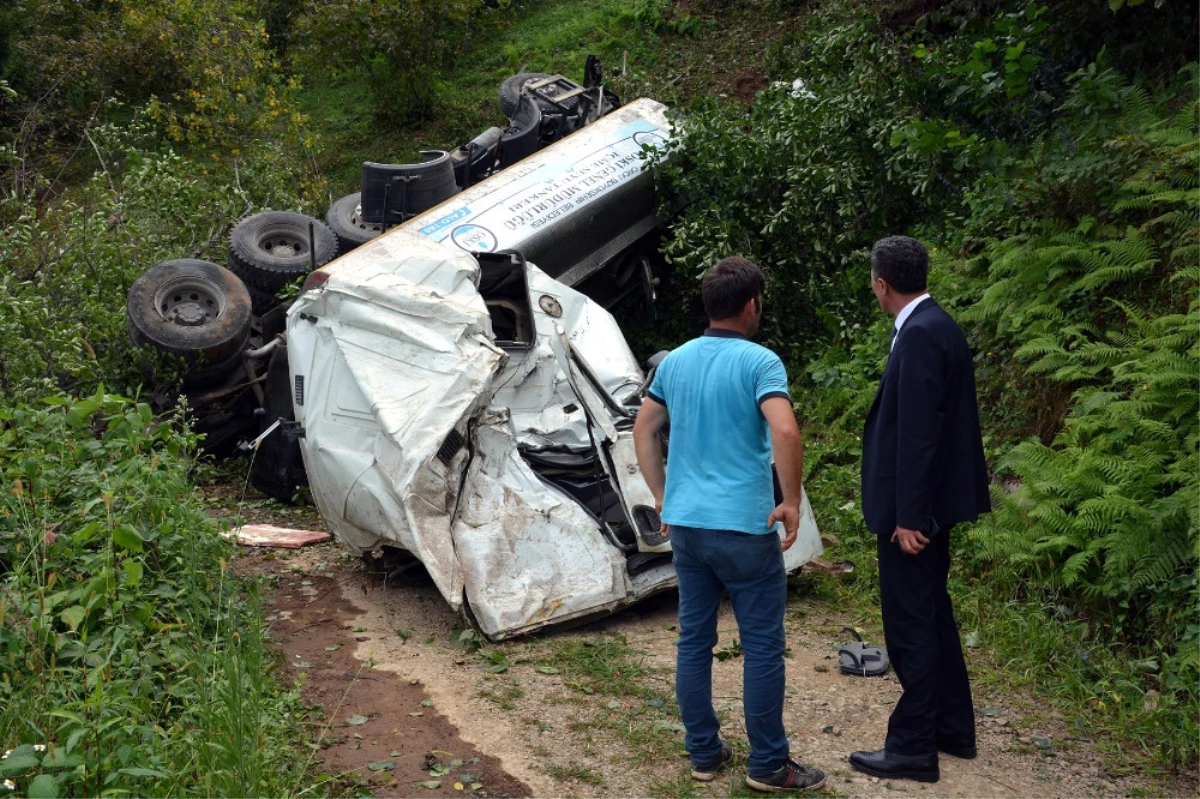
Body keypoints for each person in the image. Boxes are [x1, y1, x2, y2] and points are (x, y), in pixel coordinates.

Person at [633, 256, 825, 793]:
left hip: (688, 527)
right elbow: (784, 432)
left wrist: (661, 494)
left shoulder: (676, 362)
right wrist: (789, 501)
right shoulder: (761, 362)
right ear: (751, 305)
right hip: (743, 526)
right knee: (761, 645)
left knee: (694, 640)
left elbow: (644, 428)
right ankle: (768, 765)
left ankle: (703, 753)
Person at [850, 235, 991, 784]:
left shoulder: (919, 337)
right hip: (934, 506)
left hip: (915, 515)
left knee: (911, 624)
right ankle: (951, 727)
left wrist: (908, 515)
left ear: (881, 284)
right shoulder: (939, 326)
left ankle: (912, 746)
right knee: (933, 614)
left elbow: (919, 436)